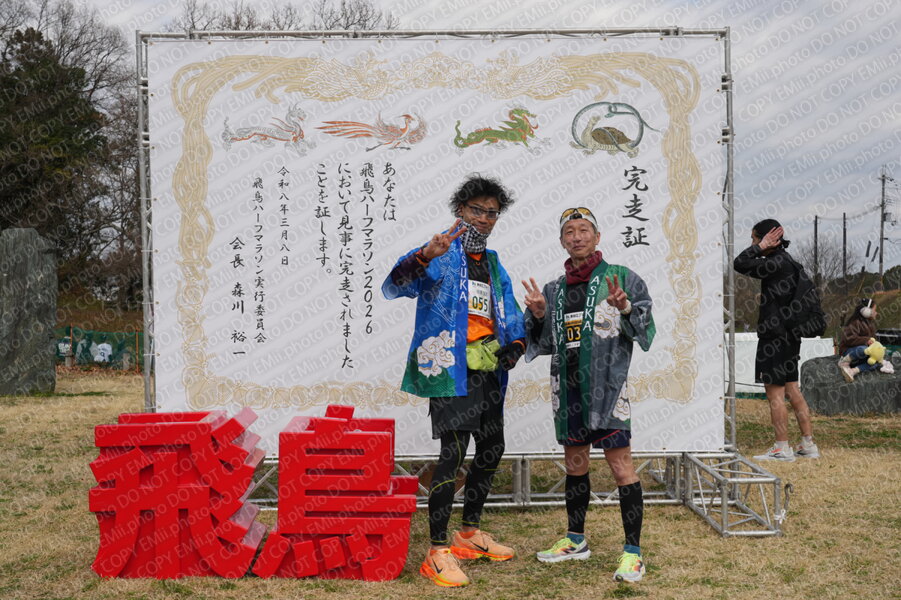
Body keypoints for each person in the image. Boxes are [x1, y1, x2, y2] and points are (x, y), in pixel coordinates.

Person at [381, 175, 526, 588]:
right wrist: (425, 255)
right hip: (449, 367)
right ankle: (437, 550)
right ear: (460, 210)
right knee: (454, 453)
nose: (483, 218)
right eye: (476, 210)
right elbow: (398, 284)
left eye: (491, 213)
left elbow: (509, 309)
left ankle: (468, 533)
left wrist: (516, 344)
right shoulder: (440, 253)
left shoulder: (493, 263)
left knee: (492, 448)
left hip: (489, 368)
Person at [522, 207, 655, 583]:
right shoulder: (554, 290)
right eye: (569, 232)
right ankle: (576, 539)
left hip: (608, 390)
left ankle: (633, 553)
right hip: (569, 391)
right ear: (561, 241)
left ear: (597, 237)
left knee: (621, 468)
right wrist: (539, 315)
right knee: (575, 465)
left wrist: (624, 306)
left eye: (583, 230)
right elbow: (545, 342)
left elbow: (644, 327)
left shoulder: (622, 277)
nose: (576, 237)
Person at [733, 219, 819, 461]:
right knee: (792, 389)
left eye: (754, 238)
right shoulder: (789, 262)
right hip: (791, 336)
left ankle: (782, 447)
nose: (752, 242)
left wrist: (760, 247)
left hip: (774, 337)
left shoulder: (775, 263)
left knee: (775, 394)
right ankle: (808, 444)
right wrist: (762, 246)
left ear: (767, 238)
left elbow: (739, 263)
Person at [838, 298, 880, 381]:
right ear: (866, 311)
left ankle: (853, 371)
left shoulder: (870, 324)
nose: (876, 313)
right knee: (863, 349)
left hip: (860, 356)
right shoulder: (855, 322)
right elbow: (849, 339)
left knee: (876, 361)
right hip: (849, 351)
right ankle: (844, 362)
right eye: (874, 310)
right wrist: (866, 340)